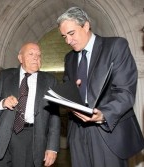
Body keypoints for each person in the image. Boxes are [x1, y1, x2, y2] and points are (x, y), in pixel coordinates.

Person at [57, 7, 144, 167]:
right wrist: (67, 95)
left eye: (71, 34)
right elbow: (67, 89)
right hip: (77, 133)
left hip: (106, 131)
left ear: (86, 26)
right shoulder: (69, 58)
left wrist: (103, 114)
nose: (68, 41)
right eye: (64, 37)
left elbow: (125, 91)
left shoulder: (116, 46)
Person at [0, 42, 60, 167]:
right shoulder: (5, 76)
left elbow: (54, 116)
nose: (36, 57)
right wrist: (3, 102)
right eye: (31, 54)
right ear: (20, 58)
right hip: (4, 137)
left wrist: (52, 147)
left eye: (38, 55)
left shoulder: (49, 81)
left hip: (31, 138)